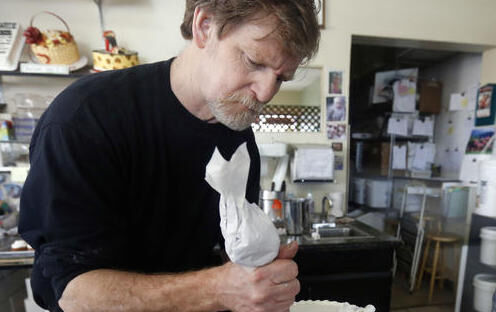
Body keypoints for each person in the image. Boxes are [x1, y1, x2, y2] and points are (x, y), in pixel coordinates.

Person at [19, 1, 320, 311]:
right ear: (205, 26)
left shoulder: (237, 137)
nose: (267, 93)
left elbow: (227, 256)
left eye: (281, 78)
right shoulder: (86, 119)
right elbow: (74, 294)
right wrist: (220, 288)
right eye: (255, 62)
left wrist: (257, 272)